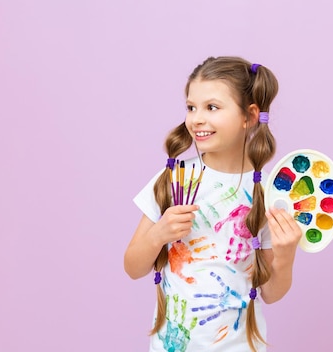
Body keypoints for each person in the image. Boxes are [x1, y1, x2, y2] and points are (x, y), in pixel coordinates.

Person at [124, 56, 303, 352]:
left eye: (212, 107)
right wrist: (159, 234)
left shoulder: (268, 194)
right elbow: (132, 267)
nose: (196, 119)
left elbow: (271, 293)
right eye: (191, 107)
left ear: (249, 115)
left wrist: (286, 255)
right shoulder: (173, 180)